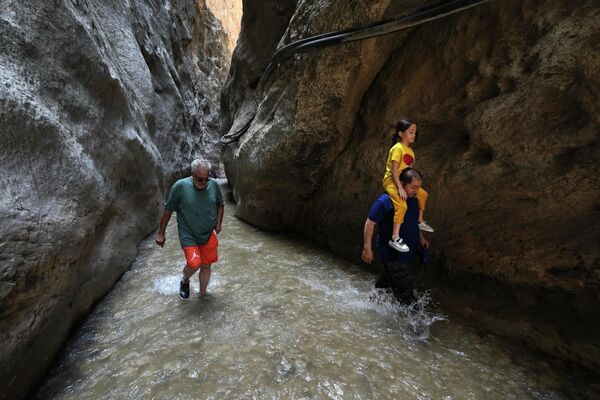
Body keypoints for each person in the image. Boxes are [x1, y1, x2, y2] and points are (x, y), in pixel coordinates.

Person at [155, 159, 224, 300]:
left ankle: (202, 295)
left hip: (207, 233)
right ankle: (185, 279)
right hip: (188, 234)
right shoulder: (180, 186)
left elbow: (220, 204)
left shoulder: (214, 186)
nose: (203, 183)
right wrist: (161, 233)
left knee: (206, 265)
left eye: (206, 179)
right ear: (192, 175)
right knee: (195, 263)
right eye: (200, 179)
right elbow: (168, 210)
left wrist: (219, 223)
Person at [363, 168, 430, 303]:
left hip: (406, 253)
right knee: (407, 297)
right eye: (413, 187)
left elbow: (414, 220)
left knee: (384, 286)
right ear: (401, 183)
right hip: (392, 255)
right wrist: (367, 248)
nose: (416, 191)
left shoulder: (413, 199)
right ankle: (415, 321)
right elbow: (369, 224)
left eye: (418, 187)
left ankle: (369, 307)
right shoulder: (385, 201)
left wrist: (421, 238)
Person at [382, 119, 434, 253]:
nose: (413, 135)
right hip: (392, 181)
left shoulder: (410, 151)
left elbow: (410, 172)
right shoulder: (397, 148)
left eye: (415, 133)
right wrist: (400, 188)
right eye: (411, 132)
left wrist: (413, 186)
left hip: (405, 182)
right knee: (402, 205)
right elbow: (393, 171)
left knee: (423, 194)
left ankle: (420, 220)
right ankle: (395, 237)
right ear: (401, 133)